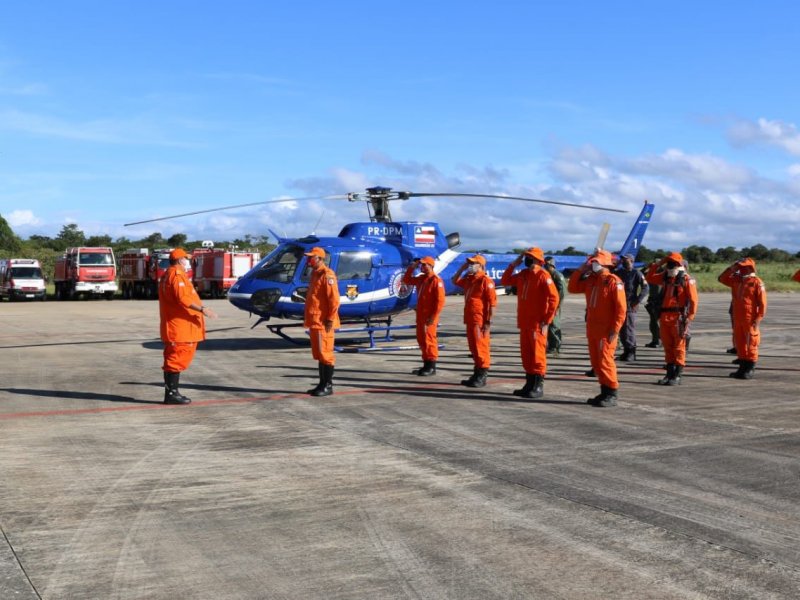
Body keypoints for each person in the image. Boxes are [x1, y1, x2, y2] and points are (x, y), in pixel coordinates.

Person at [159, 248, 218, 404]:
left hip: (179, 327)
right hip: (181, 327)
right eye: (186, 259)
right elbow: (182, 298)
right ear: (179, 260)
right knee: (176, 359)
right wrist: (203, 309)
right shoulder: (176, 275)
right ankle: (171, 394)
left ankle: (172, 393)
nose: (188, 262)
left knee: (175, 359)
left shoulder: (168, 274)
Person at [568, 250, 626, 407]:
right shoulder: (591, 280)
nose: (593, 265)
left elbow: (621, 309)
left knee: (605, 361)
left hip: (606, 330)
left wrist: (615, 329)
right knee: (596, 362)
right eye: (592, 262)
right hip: (593, 328)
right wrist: (581, 269)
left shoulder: (613, 281)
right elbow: (572, 287)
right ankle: (604, 391)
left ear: (605, 263)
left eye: (596, 262)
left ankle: (611, 393)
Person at [500, 247, 560, 398]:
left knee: (537, 355)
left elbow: (554, 298)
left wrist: (547, 320)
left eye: (530, 257)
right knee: (526, 355)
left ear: (538, 260)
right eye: (526, 257)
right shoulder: (524, 275)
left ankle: (538, 386)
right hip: (525, 322)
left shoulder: (543, 275)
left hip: (537, 323)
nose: (527, 259)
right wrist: (514, 263)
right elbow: (505, 280)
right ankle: (529, 383)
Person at [645, 252, 698, 386]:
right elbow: (649, 277)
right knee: (667, 346)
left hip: (678, 317)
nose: (669, 269)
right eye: (668, 266)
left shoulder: (686, 280)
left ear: (679, 266)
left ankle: (677, 375)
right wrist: (659, 263)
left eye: (672, 265)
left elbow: (693, 300)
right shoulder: (665, 277)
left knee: (679, 347)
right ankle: (669, 374)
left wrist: (689, 317)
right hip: (664, 317)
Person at [452, 254, 497, 387]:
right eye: (469, 263)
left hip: (480, 321)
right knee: (473, 348)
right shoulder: (470, 279)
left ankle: (482, 375)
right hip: (470, 319)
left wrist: (488, 322)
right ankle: (476, 373)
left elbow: (492, 303)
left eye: (473, 263)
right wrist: (462, 268)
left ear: (481, 266)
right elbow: (455, 281)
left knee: (480, 347)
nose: (470, 265)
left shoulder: (485, 281)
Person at [718, 258, 767, 379]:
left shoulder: (756, 282)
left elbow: (762, 303)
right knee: (740, 343)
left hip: (750, 318)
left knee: (751, 342)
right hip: (738, 316)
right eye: (740, 267)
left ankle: (750, 368)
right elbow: (721, 279)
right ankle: (742, 367)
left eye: (743, 267)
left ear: (750, 268)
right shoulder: (737, 280)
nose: (741, 269)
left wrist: (758, 318)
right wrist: (731, 268)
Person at [303, 247, 341, 396]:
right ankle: (322, 383)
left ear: (319, 258)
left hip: (323, 322)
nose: (308, 260)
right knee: (319, 354)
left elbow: (334, 300)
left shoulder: (327, 275)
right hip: (315, 321)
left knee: (326, 354)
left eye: (311, 257)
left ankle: (328, 385)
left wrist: (330, 319)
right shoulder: (315, 274)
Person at [403, 256, 446, 376]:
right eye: (421, 265)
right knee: (421, 340)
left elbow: (440, 301)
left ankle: (432, 366)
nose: (422, 266)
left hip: (429, 316)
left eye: (424, 264)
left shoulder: (436, 281)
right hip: (421, 315)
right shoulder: (422, 279)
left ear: (431, 266)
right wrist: (412, 267)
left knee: (429, 340)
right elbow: (406, 280)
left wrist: (433, 316)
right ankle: (426, 364)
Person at [615, 254, 649, 361]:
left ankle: (631, 352)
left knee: (629, 329)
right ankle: (626, 351)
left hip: (630, 305)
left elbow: (645, 287)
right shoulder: (619, 272)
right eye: (622, 259)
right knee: (621, 330)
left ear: (631, 260)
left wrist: (638, 300)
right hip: (619, 304)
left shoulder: (636, 273)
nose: (623, 261)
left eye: (626, 259)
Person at [543, 256, 566, 357]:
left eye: (547, 264)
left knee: (554, 325)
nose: (545, 266)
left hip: (555, 304)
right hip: (548, 304)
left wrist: (558, 305)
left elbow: (562, 291)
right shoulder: (547, 275)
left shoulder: (557, 275)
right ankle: (551, 346)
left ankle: (555, 347)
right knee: (548, 325)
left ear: (551, 265)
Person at [643, 261, 662, 348]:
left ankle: (658, 340)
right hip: (652, 301)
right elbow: (642, 274)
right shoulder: (651, 276)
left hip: (658, 301)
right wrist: (647, 266)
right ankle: (655, 340)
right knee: (653, 323)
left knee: (656, 322)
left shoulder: (662, 276)